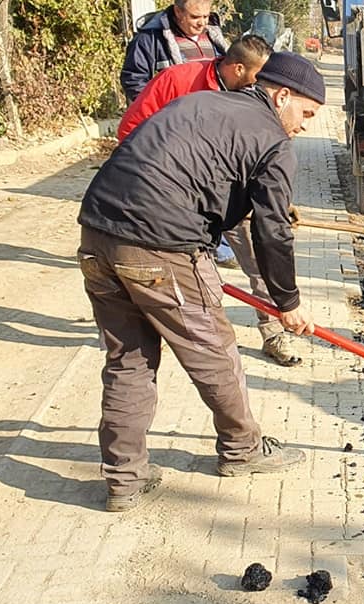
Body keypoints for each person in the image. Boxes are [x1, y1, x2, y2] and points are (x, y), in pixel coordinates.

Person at [77, 52, 326, 512]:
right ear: (282, 95)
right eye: (306, 113)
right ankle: (242, 450)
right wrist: (288, 301)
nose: (306, 126)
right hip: (160, 245)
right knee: (214, 353)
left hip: (97, 233)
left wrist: (253, 199)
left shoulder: (204, 102)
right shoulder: (274, 141)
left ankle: (124, 481)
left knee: (128, 360)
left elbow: (197, 172)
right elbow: (272, 232)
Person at [117, 43, 301, 367]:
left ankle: (273, 335)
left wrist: (277, 202)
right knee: (179, 274)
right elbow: (131, 129)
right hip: (177, 206)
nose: (266, 87)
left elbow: (269, 160)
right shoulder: (179, 81)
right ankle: (159, 336)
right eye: (261, 78)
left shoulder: (256, 105)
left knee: (261, 262)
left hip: (235, 198)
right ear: (239, 69)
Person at [116, 35, 270, 142]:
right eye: (259, 75)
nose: (261, 82)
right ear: (239, 69)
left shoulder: (252, 97)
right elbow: (131, 128)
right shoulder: (176, 79)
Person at [121, 0, 230, 103]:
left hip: (213, 114)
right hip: (173, 118)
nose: (202, 23)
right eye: (195, 17)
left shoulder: (215, 36)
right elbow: (134, 80)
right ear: (178, 11)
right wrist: (161, 109)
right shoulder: (150, 39)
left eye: (206, 16)